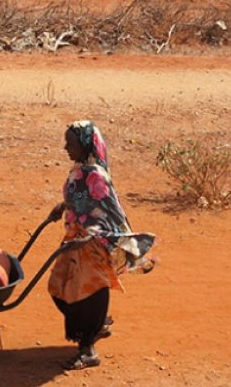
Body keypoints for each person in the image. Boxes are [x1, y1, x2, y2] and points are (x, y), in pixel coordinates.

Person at [47, 120, 156, 370]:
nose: (66, 147)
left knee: (88, 292)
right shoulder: (80, 170)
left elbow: (110, 211)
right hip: (75, 240)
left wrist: (94, 233)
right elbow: (81, 201)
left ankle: (88, 348)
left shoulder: (95, 175)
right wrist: (63, 207)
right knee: (58, 287)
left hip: (92, 244)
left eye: (71, 143)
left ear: (85, 145)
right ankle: (96, 325)